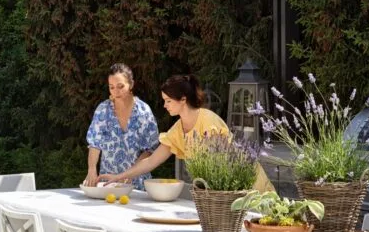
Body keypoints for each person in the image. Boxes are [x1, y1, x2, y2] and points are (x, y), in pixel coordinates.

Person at [99, 72, 272, 191]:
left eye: (168, 101)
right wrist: (119, 176)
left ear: (182, 99)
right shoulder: (177, 130)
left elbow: (220, 165)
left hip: (248, 184)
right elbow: (151, 161)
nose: (165, 105)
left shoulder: (208, 121)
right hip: (225, 192)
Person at [84, 63, 160, 189]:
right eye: (111, 87)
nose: (116, 92)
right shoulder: (103, 110)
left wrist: (130, 174)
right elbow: (95, 144)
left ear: (131, 84)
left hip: (136, 183)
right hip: (108, 183)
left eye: (120, 86)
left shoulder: (143, 111)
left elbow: (150, 149)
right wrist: (91, 169)